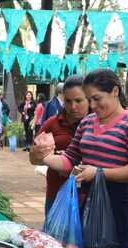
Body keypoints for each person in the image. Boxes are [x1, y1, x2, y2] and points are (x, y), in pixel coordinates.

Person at [30, 69, 128, 248]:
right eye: (90, 99)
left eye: (97, 99)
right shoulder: (87, 123)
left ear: (115, 91)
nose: (93, 105)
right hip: (84, 208)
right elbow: (69, 161)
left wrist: (100, 173)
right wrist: (43, 156)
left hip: (116, 211)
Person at [30, 75, 90, 216]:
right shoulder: (53, 123)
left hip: (87, 196)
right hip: (56, 191)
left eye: (78, 100)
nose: (73, 106)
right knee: (54, 236)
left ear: (88, 98)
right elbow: (33, 158)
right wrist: (52, 156)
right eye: (68, 101)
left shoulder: (97, 124)